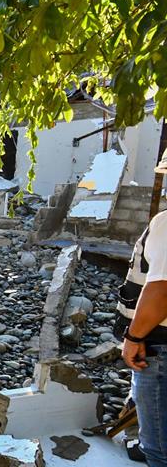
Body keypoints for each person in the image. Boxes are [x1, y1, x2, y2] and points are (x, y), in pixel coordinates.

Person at [120, 149, 167, 467]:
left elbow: (162, 289)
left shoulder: (166, 223)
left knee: (159, 450)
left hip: (159, 347)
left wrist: (134, 338)